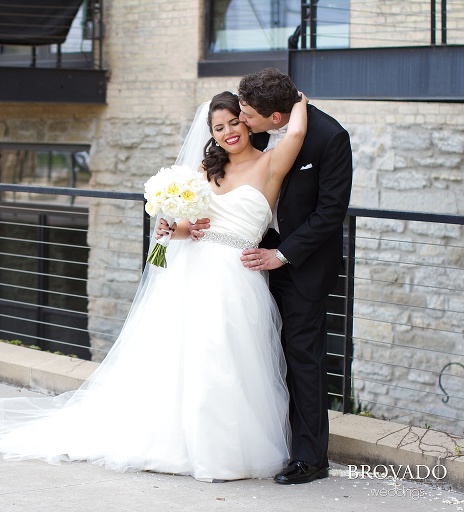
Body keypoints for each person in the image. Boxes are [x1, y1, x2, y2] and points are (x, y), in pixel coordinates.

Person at [0, 91, 309, 482]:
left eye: (234, 122)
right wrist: (169, 228)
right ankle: (169, 443)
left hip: (236, 277)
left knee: (223, 359)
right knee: (176, 358)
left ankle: (222, 451)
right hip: (189, 273)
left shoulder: (270, 164)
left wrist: (297, 96)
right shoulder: (203, 170)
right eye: (218, 127)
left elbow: (296, 132)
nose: (228, 132)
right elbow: (187, 228)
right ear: (210, 133)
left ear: (248, 121)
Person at [203, 68, 352, 485]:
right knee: (257, 354)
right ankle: (270, 442)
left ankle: (310, 458)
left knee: (303, 358)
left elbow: (329, 214)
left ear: (275, 117)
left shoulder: (330, 137)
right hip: (250, 264)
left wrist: (282, 255)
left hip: (302, 266)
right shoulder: (261, 131)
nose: (241, 121)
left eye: (246, 114)